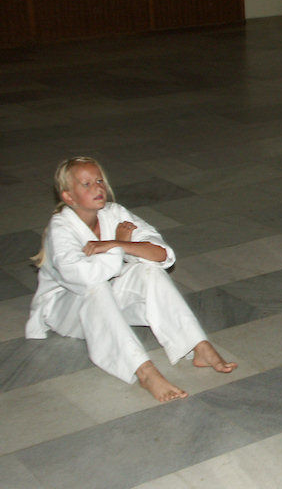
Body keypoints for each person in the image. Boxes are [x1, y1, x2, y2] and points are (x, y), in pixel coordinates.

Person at [26, 157, 236, 402]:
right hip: (67, 310)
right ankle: (144, 372)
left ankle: (197, 345)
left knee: (149, 271)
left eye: (99, 181)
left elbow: (162, 254)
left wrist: (117, 243)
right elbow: (85, 278)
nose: (97, 188)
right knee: (97, 288)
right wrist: (118, 248)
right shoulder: (61, 228)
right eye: (86, 184)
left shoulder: (114, 213)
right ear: (69, 197)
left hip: (106, 299)